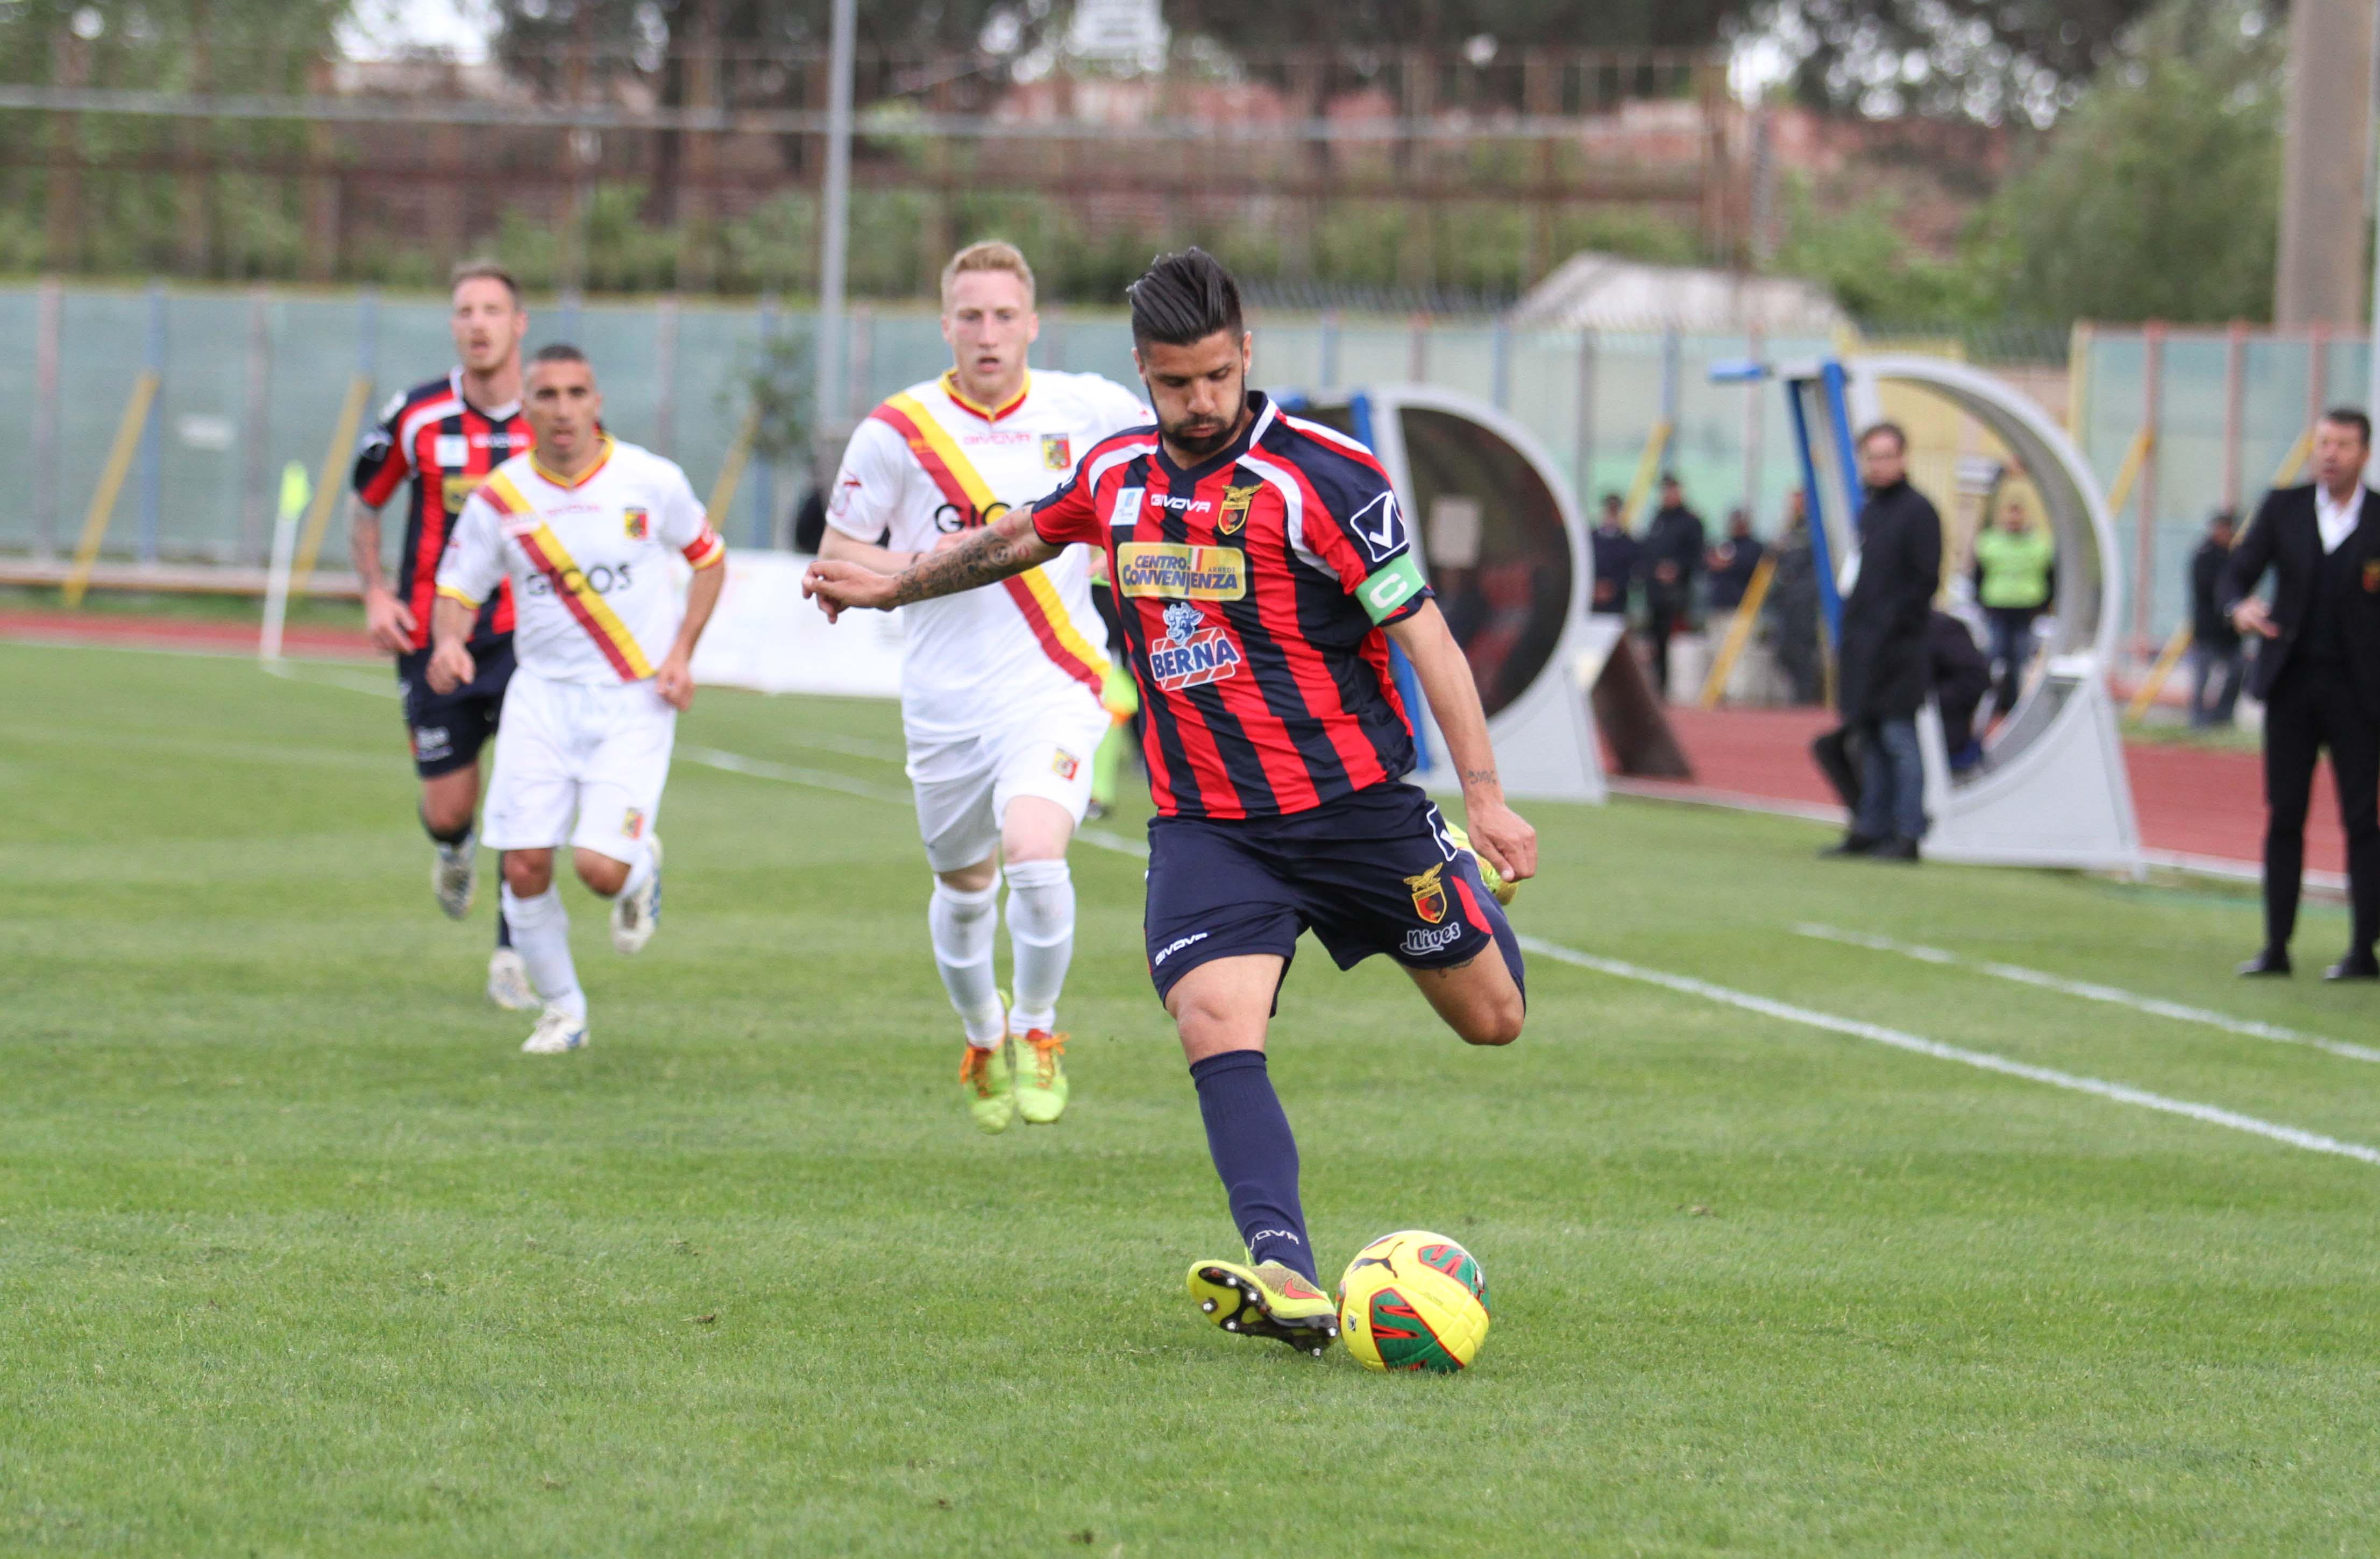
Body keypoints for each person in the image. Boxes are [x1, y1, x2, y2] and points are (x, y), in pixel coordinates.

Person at [803, 248, 1534, 1358]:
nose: (1198, 404)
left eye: (1214, 378)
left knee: (1493, 1020)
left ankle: (1457, 885)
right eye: (1174, 383)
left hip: (1356, 808)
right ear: (1143, 372)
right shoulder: (1115, 474)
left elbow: (1423, 631)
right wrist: (895, 583)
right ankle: (1285, 1267)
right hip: (1208, 825)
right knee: (1211, 1021)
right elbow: (1018, 539)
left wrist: (1481, 799)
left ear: (1244, 355)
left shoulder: (1327, 479)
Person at [819, 240, 1152, 1132]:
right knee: (965, 887)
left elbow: (1175, 467)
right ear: (945, 326)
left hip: (1059, 682)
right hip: (944, 702)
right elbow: (840, 551)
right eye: (971, 315)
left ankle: (1039, 1030)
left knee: (1036, 853)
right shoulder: (899, 429)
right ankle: (983, 1034)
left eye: (1005, 315)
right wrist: (925, 562)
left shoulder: (1092, 409)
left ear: (1034, 323)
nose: (989, 332)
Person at [428, 344, 728, 1051]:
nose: (562, 410)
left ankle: (639, 866)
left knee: (599, 871)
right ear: (526, 406)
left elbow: (708, 559)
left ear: (597, 403)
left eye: (575, 394)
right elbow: (457, 588)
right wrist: (449, 641)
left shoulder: (650, 480)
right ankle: (564, 1010)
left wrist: (682, 652)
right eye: (547, 395)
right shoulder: (500, 496)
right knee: (524, 862)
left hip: (633, 699)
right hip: (541, 700)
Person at [349, 260, 540, 1012]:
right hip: (435, 636)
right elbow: (366, 503)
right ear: (453, 325)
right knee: (451, 807)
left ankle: (512, 953)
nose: (480, 323)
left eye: (494, 309)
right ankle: (452, 849)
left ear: (518, 324)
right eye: (466, 311)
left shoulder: (553, 419)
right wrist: (373, 592)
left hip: (529, 639)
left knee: (527, 802)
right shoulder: (418, 415)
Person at [2221, 408, 2380, 981]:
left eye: (2342, 444)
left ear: (2364, 453)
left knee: (2363, 820)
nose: (2330, 453)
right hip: (2291, 684)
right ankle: (2276, 946)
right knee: (2284, 815)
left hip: (2360, 694)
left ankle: (2365, 950)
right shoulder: (2283, 508)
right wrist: (2238, 607)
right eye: (2322, 443)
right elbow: (2235, 574)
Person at [1825, 423, 1941, 861]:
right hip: (1862, 648)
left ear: (1903, 457)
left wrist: (1891, 629)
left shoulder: (1918, 512)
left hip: (1897, 651)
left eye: (1886, 455)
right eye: (1871, 457)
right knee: (1867, 740)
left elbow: (1923, 581)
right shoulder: (1870, 512)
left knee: (1898, 740)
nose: (1878, 465)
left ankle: (1907, 832)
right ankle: (1870, 827)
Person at [1970, 494, 2055, 716]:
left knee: (2019, 657)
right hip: (1997, 606)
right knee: (1995, 656)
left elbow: (2049, 576)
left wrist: (2045, 605)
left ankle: (2011, 702)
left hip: (2026, 608)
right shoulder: (1990, 541)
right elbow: (1978, 574)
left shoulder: (2038, 544)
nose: (2013, 519)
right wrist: (1979, 601)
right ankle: (1989, 701)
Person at [1640, 475, 1704, 698]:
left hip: (1678, 596)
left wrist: (1676, 569)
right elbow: (1647, 553)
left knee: (1676, 644)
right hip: (1656, 595)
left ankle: (1675, 691)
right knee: (1656, 644)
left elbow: (1697, 556)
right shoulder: (1657, 520)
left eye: (1672, 491)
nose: (1668, 495)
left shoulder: (1690, 522)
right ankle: (1659, 689)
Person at [1766, 489, 1824, 706]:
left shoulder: (1816, 532)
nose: (1796, 506)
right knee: (1783, 651)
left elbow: (1815, 568)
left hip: (1804, 602)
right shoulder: (1788, 530)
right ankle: (1800, 693)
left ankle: (1805, 698)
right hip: (1785, 602)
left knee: (1803, 651)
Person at [2189, 508, 2244, 728]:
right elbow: (2207, 589)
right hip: (2208, 628)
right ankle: (2199, 721)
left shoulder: (2235, 555)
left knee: (2237, 671)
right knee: (2203, 677)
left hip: (2230, 630)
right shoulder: (2204, 555)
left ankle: (2223, 717)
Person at [1706, 508, 1766, 614]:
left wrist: (1730, 564)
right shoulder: (1723, 544)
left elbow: (1754, 569)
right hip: (1720, 603)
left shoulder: (1755, 547)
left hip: (1745, 604)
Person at [1587, 493, 1636, 618]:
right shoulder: (1590, 540)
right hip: (1592, 601)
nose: (1612, 514)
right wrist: (1596, 587)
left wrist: (1612, 588)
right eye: (1610, 510)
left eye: (1615, 511)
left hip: (1617, 602)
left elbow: (1632, 571)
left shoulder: (1628, 542)